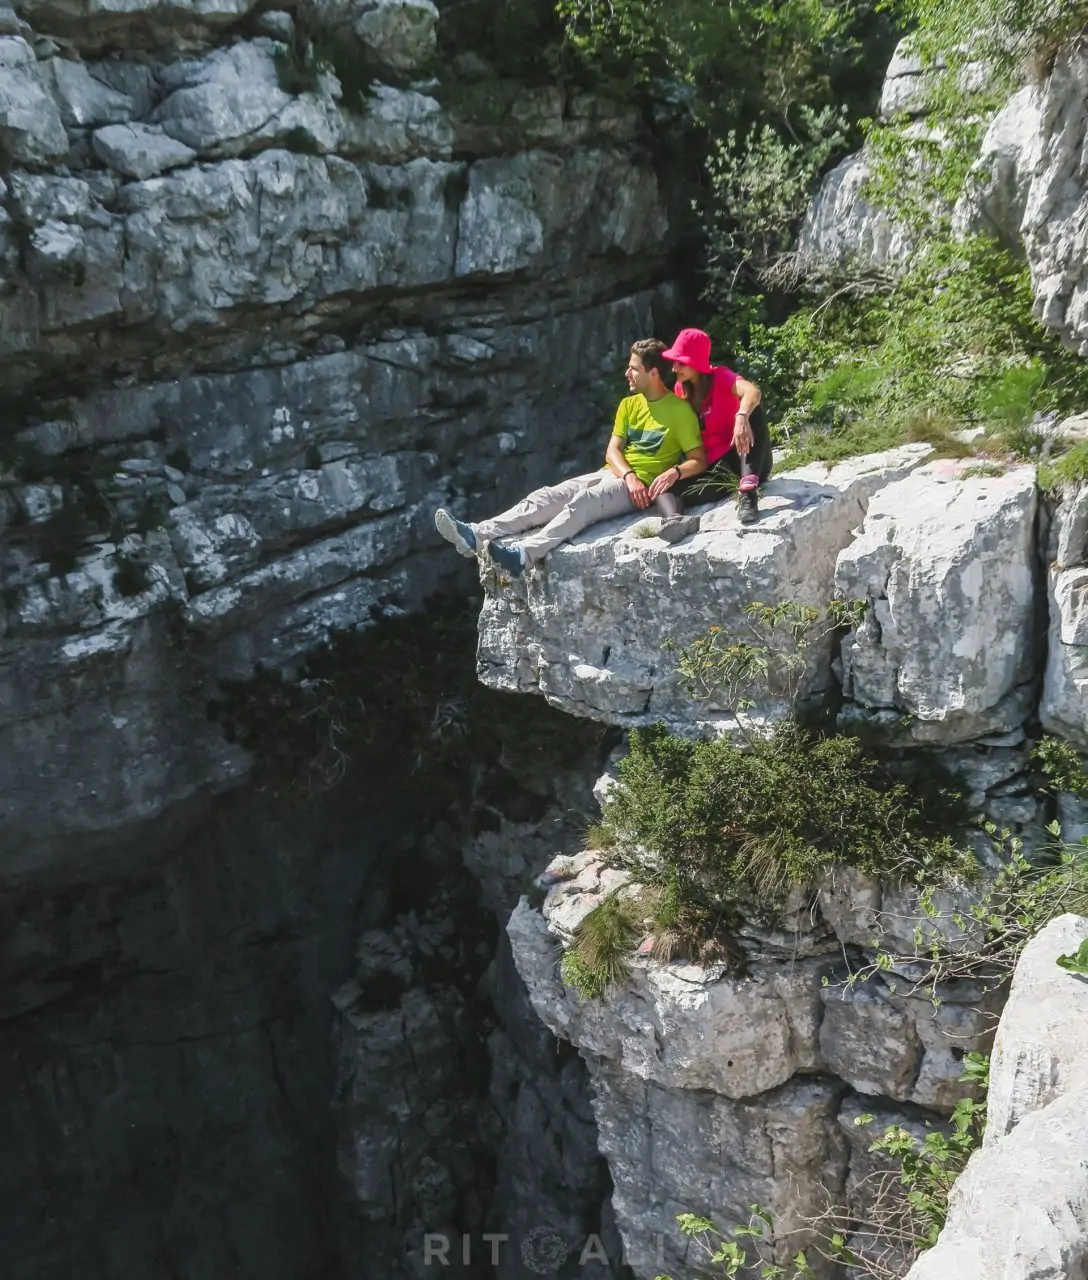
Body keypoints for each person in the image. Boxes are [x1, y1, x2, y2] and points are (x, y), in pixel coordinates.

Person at [433, 338, 707, 579]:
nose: (627, 373)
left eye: (634, 369)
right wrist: (628, 475)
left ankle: (523, 555)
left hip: (640, 489)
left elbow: (698, 459)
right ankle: (476, 534)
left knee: (586, 502)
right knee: (547, 497)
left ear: (654, 373)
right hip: (617, 475)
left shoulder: (680, 412)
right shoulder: (629, 404)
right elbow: (612, 451)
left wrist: (674, 472)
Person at [660, 327, 772, 525]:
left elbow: (753, 392)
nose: (674, 368)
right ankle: (674, 522)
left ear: (695, 362)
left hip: (746, 457)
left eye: (680, 362)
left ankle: (748, 494)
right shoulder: (680, 389)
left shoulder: (721, 377)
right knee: (665, 486)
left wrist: (741, 416)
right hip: (715, 469)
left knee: (753, 410)